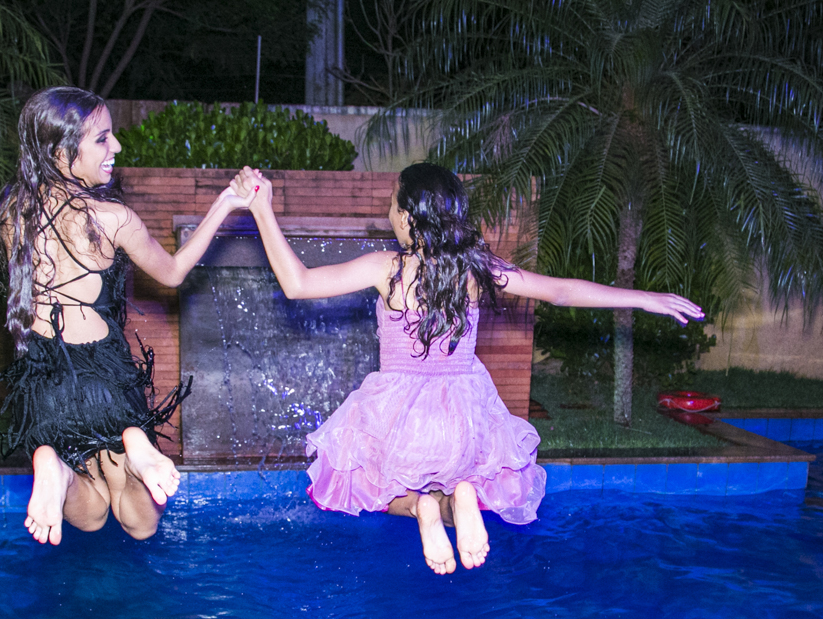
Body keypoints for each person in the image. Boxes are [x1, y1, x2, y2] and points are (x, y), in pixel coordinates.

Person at [237, 163, 703, 575]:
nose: (388, 214)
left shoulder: (388, 268)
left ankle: (421, 509)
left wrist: (262, 209)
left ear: (408, 216)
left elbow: (297, 283)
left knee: (365, 485)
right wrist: (645, 298)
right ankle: (457, 499)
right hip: (463, 415)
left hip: (399, 415)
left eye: (392, 205)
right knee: (466, 486)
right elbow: (560, 291)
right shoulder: (475, 270)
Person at [0, 87, 254, 546]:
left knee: (89, 518)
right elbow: (175, 272)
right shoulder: (113, 218)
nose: (117, 146)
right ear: (62, 152)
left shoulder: (5, 213)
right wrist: (226, 202)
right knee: (141, 525)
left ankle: (56, 469)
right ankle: (134, 446)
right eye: (102, 139)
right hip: (107, 377)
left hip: (43, 383)